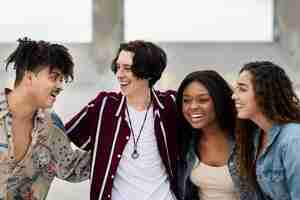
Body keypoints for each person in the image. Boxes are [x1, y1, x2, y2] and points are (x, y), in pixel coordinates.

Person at [65, 40, 178, 200]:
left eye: (127, 68)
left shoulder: (171, 104)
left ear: (148, 72)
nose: (119, 74)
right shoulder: (104, 106)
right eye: (118, 67)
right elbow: (60, 135)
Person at [0, 38, 90, 200]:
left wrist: (115, 138)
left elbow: (72, 168)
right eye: (54, 77)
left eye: (62, 79)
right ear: (29, 78)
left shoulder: (51, 126)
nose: (61, 86)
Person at [175, 70, 258, 200]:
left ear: (220, 101)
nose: (193, 107)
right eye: (186, 100)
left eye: (203, 100)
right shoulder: (187, 142)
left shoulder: (250, 139)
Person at [232, 61, 300, 199]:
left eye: (242, 89)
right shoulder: (257, 135)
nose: (234, 96)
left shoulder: (293, 139)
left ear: (265, 93)